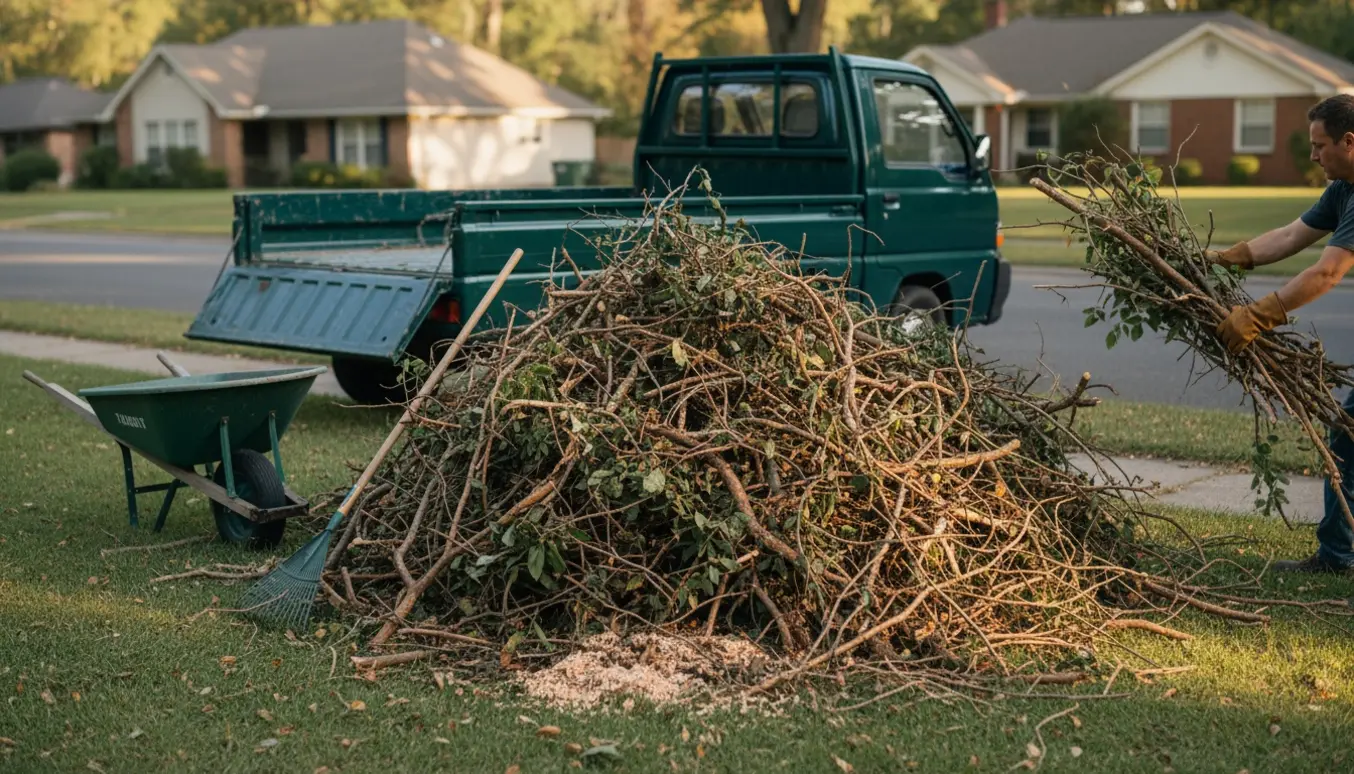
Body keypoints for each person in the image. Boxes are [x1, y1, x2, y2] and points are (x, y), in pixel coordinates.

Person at [1210, 94, 1354, 575]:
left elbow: (1327, 273)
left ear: (1349, 142)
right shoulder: (1343, 190)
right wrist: (1232, 257)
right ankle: (1339, 553)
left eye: (1320, 145)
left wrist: (1259, 315)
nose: (1313, 156)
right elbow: (1293, 236)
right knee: (1349, 433)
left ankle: (1338, 556)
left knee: (1350, 435)